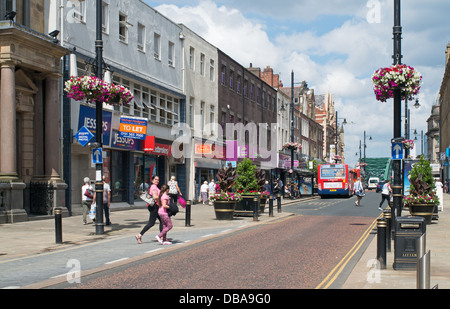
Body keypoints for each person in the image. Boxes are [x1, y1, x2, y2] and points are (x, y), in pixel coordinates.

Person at [136, 175, 162, 244]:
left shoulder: (156, 187)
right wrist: (162, 196)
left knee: (162, 221)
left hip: (156, 206)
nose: (157, 181)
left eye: (158, 180)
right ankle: (139, 235)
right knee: (151, 223)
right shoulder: (153, 187)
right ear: (152, 180)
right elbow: (155, 196)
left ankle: (162, 237)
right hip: (154, 207)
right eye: (155, 179)